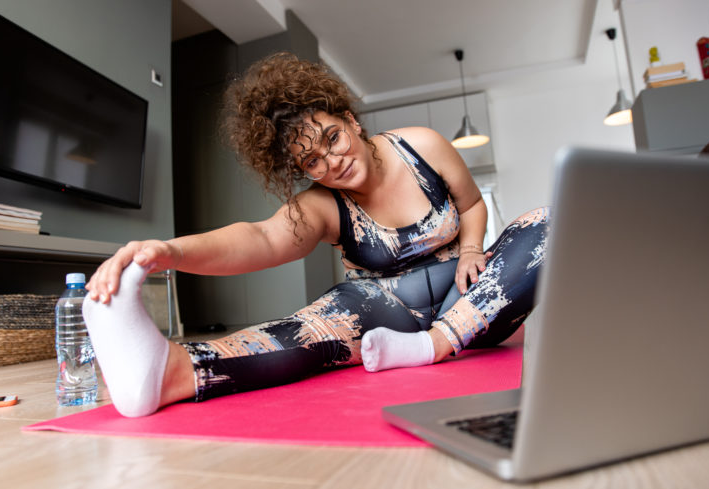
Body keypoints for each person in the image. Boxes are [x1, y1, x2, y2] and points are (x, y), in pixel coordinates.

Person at [83, 52, 550, 417]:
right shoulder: (323, 204)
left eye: (332, 138)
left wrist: (471, 248)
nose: (333, 162)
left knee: (545, 224)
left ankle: (435, 346)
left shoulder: (421, 146)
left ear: (350, 119)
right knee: (312, 326)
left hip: (472, 306)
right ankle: (169, 374)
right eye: (312, 162)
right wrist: (166, 251)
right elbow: (260, 239)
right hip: (387, 315)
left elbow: (470, 204)